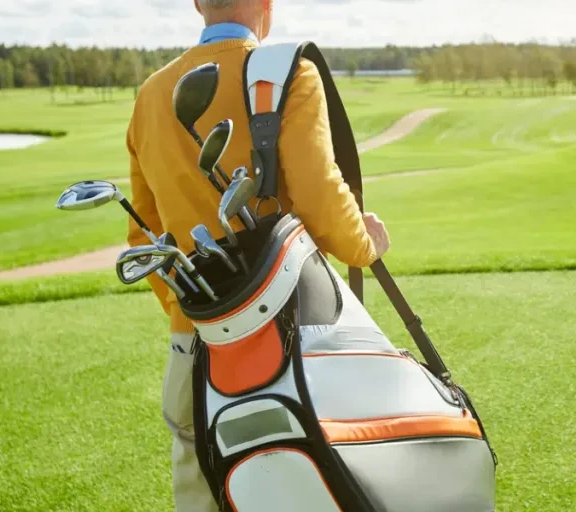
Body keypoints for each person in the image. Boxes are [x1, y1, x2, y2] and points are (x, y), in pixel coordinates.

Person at [124, 0, 390, 509]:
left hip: (194, 345)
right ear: (267, 3)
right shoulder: (291, 75)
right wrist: (364, 244)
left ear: (198, 3)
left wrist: (195, 311)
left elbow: (146, 237)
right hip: (292, 344)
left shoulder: (152, 94)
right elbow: (319, 196)